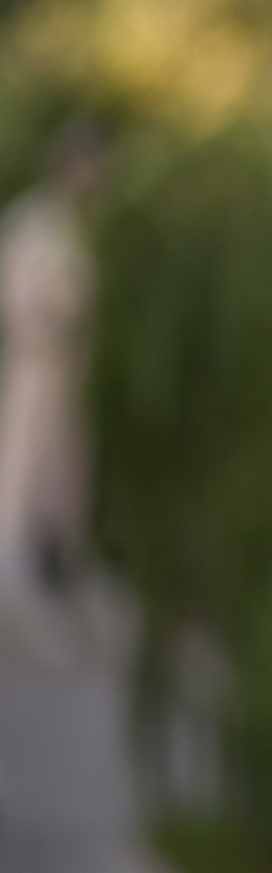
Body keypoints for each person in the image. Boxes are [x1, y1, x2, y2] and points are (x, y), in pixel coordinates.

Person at [0, 123, 104, 617]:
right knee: (23, 455)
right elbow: (16, 294)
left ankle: (57, 560)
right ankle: (11, 556)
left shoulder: (86, 224)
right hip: (37, 363)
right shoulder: (33, 220)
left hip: (72, 368)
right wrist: (57, 310)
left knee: (66, 470)